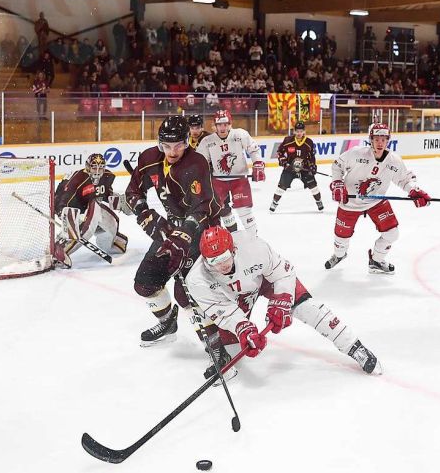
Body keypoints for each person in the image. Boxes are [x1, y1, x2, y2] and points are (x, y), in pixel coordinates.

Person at [185, 226, 382, 376]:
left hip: (266, 279)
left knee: (308, 308)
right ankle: (221, 348)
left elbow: (283, 273)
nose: (221, 265)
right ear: (204, 259)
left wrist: (282, 300)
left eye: (225, 257)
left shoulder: (254, 247)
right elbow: (225, 312)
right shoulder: (197, 280)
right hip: (236, 297)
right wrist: (243, 327)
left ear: (233, 249)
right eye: (213, 261)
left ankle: (354, 347)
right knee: (237, 348)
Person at [125, 116, 225, 346]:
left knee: (187, 292)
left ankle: (216, 342)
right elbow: (133, 192)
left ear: (187, 141)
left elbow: (203, 207)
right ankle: (168, 322)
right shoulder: (149, 158)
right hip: (171, 228)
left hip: (203, 229)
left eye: (178, 145)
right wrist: (145, 214)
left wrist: (184, 234)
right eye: (167, 146)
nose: (172, 151)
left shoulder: (196, 163)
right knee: (146, 282)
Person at [324, 123, 431, 274]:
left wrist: (414, 190)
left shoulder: (394, 161)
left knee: (392, 233)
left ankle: (376, 260)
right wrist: (337, 184)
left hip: (376, 202)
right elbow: (337, 167)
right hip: (350, 203)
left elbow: (405, 180)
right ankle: (339, 255)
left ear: (388, 140)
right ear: (370, 140)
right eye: (376, 139)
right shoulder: (356, 154)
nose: (380, 142)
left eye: (384, 139)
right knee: (341, 238)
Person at [53, 154, 129, 269]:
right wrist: (63, 214)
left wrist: (124, 203)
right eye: (94, 167)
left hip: (95, 217)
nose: (97, 171)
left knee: (117, 247)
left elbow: (107, 195)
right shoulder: (77, 179)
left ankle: (112, 239)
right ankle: (62, 247)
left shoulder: (107, 177)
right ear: (87, 167)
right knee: (94, 205)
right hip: (77, 215)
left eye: (101, 168)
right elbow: (59, 200)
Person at [196, 109, 265, 234]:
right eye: (219, 125)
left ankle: (253, 238)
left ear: (230, 124)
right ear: (214, 126)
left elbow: (253, 149)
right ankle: (234, 235)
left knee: (244, 209)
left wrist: (258, 164)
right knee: (222, 210)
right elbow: (200, 161)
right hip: (218, 181)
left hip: (239, 180)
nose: (222, 127)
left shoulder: (240, 135)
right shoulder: (207, 141)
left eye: (225, 124)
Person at [270, 121, 323, 212]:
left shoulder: (309, 142)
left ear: (304, 131)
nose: (299, 133)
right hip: (290, 168)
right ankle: (274, 202)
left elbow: (311, 156)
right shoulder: (287, 140)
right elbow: (279, 152)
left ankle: (319, 201)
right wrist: (285, 163)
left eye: (301, 131)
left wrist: (312, 166)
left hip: (304, 168)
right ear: (294, 131)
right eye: (297, 131)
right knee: (281, 187)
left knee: (313, 186)